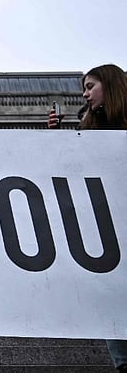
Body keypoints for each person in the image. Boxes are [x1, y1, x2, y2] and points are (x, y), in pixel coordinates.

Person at [48, 64, 127, 371]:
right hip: (108, 248)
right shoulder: (88, 131)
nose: (84, 94)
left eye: (90, 86)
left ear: (111, 86)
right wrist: (55, 140)